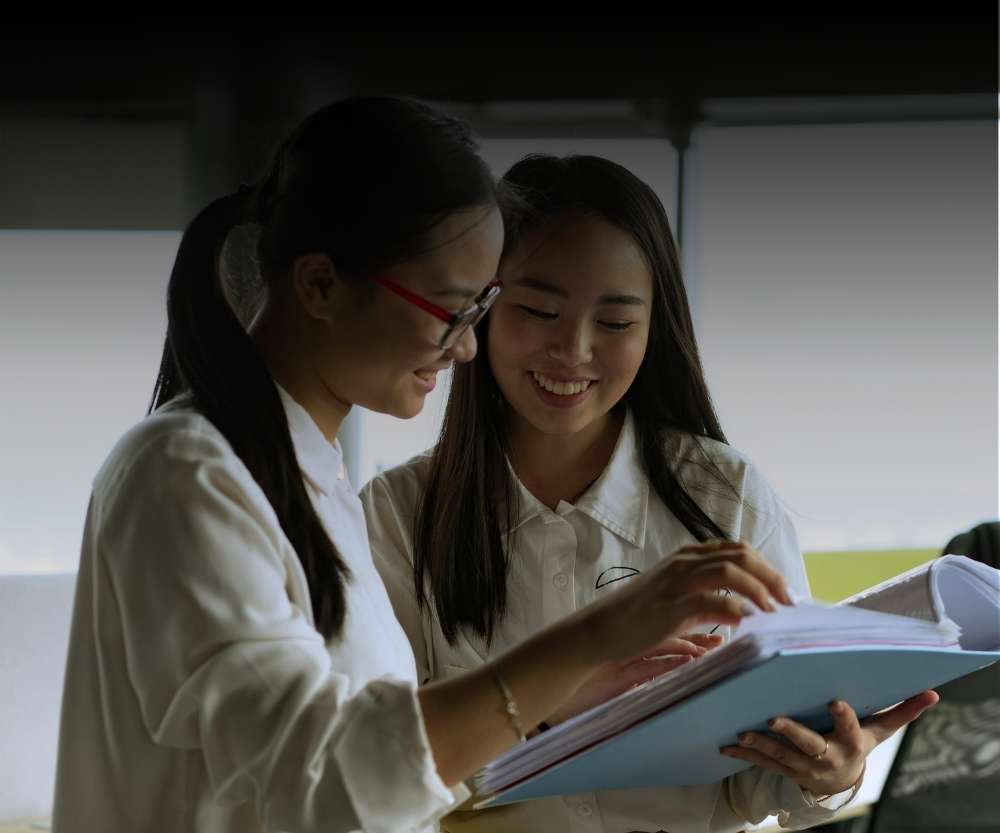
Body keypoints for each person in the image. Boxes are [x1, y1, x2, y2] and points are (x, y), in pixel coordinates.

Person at [51, 100, 792, 833]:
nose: (466, 347)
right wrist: (595, 635)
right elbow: (322, 780)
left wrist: (573, 696)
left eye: (478, 309)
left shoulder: (311, 483)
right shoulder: (188, 471)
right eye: (453, 309)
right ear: (319, 285)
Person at [361, 153, 937, 833]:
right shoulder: (396, 517)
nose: (573, 350)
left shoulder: (726, 497)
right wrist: (551, 706)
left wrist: (830, 771)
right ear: (481, 308)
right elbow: (372, 784)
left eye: (614, 323)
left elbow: (759, 780)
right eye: (539, 310)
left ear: (653, 328)